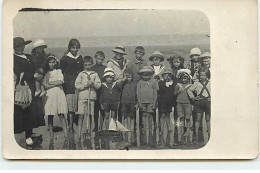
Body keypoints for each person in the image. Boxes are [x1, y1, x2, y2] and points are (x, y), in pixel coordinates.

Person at [13, 37, 45, 146]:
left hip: (32, 86)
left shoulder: (28, 56)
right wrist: (33, 75)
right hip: (24, 87)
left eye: (22, 46)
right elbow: (18, 72)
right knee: (25, 110)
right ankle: (27, 137)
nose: (20, 48)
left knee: (32, 111)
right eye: (18, 46)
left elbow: (38, 64)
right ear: (14, 48)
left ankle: (30, 132)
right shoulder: (14, 58)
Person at [75, 56, 101, 141]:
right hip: (82, 97)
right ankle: (79, 133)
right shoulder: (81, 74)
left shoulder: (95, 74)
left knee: (90, 115)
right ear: (83, 65)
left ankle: (89, 131)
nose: (88, 66)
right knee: (81, 115)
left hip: (91, 97)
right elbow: (77, 85)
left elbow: (98, 85)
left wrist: (92, 84)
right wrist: (86, 85)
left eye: (89, 64)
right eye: (86, 65)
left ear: (92, 64)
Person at [43, 54, 68, 143]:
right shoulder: (46, 73)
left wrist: (51, 83)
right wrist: (54, 83)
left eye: (53, 62)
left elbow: (60, 82)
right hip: (50, 95)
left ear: (56, 63)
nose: (51, 64)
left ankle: (66, 134)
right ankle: (51, 135)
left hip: (59, 94)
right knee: (50, 115)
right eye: (50, 62)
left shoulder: (59, 71)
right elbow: (45, 86)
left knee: (61, 115)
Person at [60, 39, 84, 132]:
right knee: (70, 107)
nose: (75, 50)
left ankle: (75, 124)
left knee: (77, 106)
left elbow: (82, 71)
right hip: (69, 85)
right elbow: (61, 72)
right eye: (73, 47)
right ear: (69, 48)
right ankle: (70, 127)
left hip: (78, 85)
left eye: (76, 48)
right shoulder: (65, 58)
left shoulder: (80, 58)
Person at [187, 66, 211, 142]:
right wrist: (193, 98)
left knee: (208, 119)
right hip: (199, 102)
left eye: (204, 75)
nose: (202, 76)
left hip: (208, 102)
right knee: (198, 119)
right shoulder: (196, 83)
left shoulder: (210, 83)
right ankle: (196, 135)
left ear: (207, 75)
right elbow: (189, 90)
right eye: (201, 75)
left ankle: (210, 135)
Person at [136, 66, 158, 145]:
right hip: (142, 103)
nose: (145, 76)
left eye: (147, 75)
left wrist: (154, 103)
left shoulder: (154, 82)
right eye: (144, 75)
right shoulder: (139, 83)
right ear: (141, 75)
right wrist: (139, 103)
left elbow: (155, 93)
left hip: (151, 102)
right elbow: (138, 94)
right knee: (144, 117)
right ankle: (144, 136)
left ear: (150, 75)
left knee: (150, 118)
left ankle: (151, 136)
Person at [158, 68, 177, 146]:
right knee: (162, 116)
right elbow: (161, 90)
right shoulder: (161, 83)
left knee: (168, 117)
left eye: (169, 75)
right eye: (166, 75)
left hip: (169, 103)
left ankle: (169, 133)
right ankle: (162, 132)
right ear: (163, 76)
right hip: (162, 102)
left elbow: (173, 94)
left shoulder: (173, 84)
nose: (168, 77)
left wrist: (173, 103)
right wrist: (164, 82)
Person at [174, 69, 193, 144]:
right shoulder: (178, 85)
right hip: (179, 103)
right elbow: (174, 93)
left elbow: (192, 94)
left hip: (188, 103)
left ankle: (187, 130)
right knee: (181, 117)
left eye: (185, 78)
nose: (184, 80)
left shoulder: (191, 85)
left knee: (188, 117)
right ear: (180, 78)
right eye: (182, 78)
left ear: (188, 78)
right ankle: (181, 131)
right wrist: (178, 92)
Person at [91, 51, 106, 131]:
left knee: (102, 109)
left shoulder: (105, 68)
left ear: (103, 59)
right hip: (95, 91)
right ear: (95, 58)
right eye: (98, 59)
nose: (99, 61)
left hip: (103, 91)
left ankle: (101, 126)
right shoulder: (92, 68)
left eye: (101, 59)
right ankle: (96, 126)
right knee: (95, 110)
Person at [121, 68, 137, 143]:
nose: (128, 78)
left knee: (131, 116)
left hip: (132, 102)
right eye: (127, 76)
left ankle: (131, 129)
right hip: (124, 102)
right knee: (125, 116)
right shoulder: (122, 83)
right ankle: (125, 129)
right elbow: (118, 87)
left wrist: (136, 102)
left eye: (130, 77)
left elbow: (136, 93)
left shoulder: (134, 83)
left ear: (132, 77)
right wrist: (123, 79)